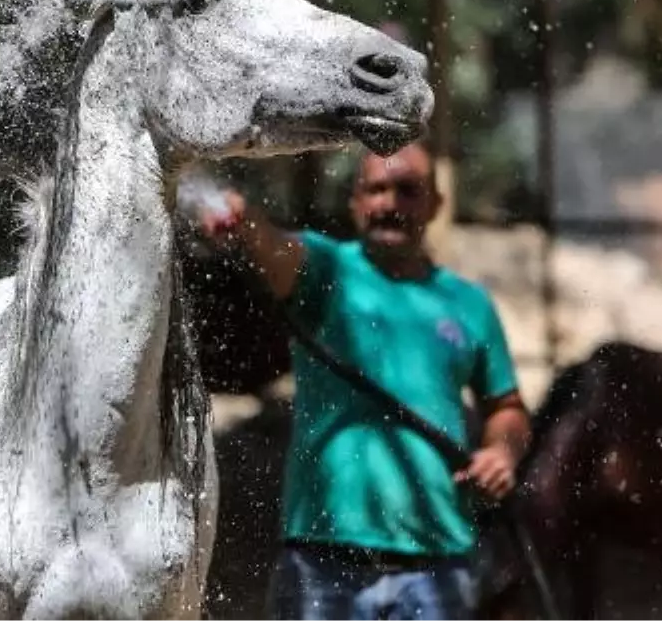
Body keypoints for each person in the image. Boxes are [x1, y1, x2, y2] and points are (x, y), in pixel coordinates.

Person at [199, 140, 531, 621]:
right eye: (376, 190)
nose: (390, 204)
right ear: (354, 203)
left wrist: (502, 451)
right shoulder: (327, 270)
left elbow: (507, 406)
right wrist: (244, 221)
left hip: (438, 568)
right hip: (321, 564)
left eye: (408, 190)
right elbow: (274, 248)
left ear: (436, 203)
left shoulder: (469, 304)